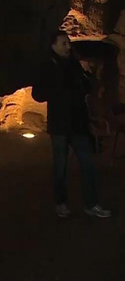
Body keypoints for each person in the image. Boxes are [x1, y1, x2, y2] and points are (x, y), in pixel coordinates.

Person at [31, 30, 111, 218]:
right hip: (59, 125)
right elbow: (38, 94)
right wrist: (57, 86)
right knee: (60, 167)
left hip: (78, 124)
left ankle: (91, 204)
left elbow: (86, 89)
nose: (68, 46)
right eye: (64, 43)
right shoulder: (47, 67)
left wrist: (89, 78)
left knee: (88, 164)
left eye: (68, 43)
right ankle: (61, 203)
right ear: (53, 46)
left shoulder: (74, 64)